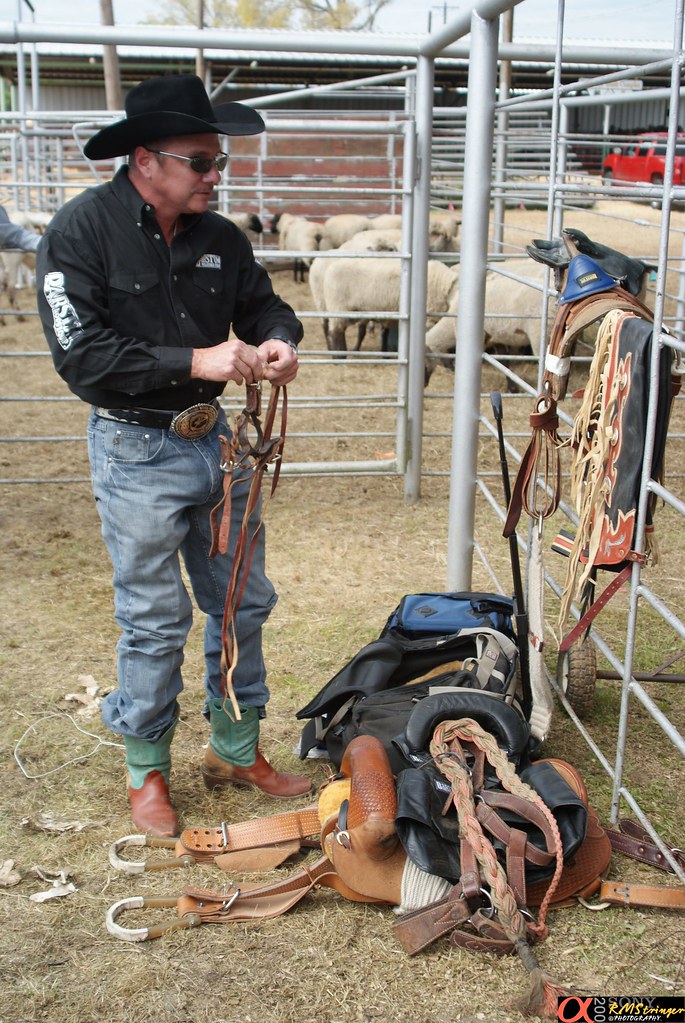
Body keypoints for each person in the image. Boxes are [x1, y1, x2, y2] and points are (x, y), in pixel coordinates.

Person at [36, 73, 312, 838]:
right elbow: (81, 356)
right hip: (134, 447)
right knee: (154, 615)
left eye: (217, 160)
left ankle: (234, 748)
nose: (214, 174)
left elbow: (263, 305)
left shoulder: (221, 238)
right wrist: (196, 360)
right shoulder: (80, 232)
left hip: (215, 444)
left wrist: (278, 341)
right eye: (200, 160)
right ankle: (146, 769)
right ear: (145, 159)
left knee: (241, 599)